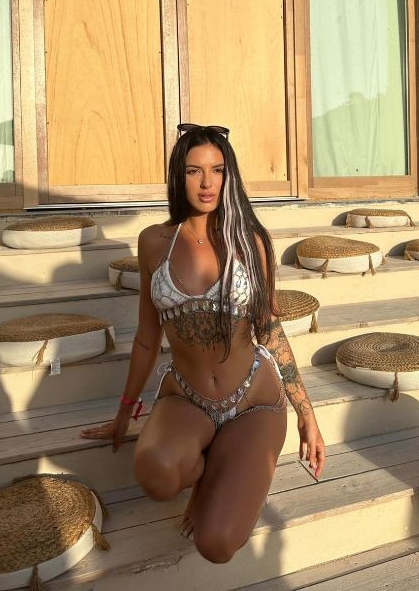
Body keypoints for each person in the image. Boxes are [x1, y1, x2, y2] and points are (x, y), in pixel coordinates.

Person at [81, 123, 325, 563]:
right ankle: (211, 464)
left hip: (252, 400)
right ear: (179, 177)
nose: (207, 182)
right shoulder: (154, 241)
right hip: (187, 398)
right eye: (194, 171)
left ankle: (222, 475)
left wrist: (308, 415)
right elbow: (146, 339)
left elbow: (270, 330)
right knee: (156, 477)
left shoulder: (251, 241)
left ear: (229, 176)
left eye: (217, 170)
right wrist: (123, 414)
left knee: (216, 544)